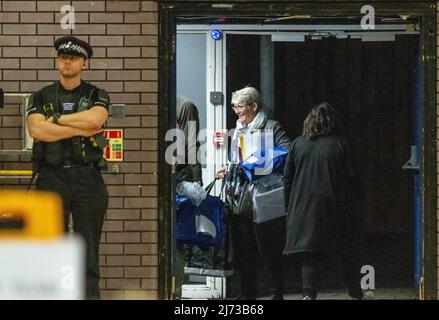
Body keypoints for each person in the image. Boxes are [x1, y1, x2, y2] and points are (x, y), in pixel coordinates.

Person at [26, 36, 110, 300]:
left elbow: (96, 119)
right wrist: (80, 128)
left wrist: (58, 120)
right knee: (50, 248)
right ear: (57, 61)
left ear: (84, 63)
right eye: (63, 57)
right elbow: (37, 129)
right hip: (51, 177)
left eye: (73, 58)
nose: (67, 61)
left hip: (88, 177)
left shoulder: (96, 94)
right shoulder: (42, 95)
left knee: (88, 251)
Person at [283, 102, 364, 300]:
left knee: (309, 253)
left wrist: (289, 206)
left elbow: (287, 178)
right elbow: (353, 179)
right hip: (335, 206)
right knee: (345, 251)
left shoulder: (297, 144)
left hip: (303, 207)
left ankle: (308, 294)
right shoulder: (342, 144)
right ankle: (355, 291)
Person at [216, 86, 291, 300]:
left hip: (264, 197)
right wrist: (229, 168)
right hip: (240, 198)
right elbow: (236, 159)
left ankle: (277, 292)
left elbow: (286, 151)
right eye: (234, 107)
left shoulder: (272, 127)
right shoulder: (238, 128)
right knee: (244, 251)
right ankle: (249, 293)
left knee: (268, 250)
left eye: (239, 106)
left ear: (253, 106)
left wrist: (254, 165)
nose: (236, 111)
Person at [174, 96, 203, 299]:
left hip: (180, 180)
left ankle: (176, 290)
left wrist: (197, 182)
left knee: (179, 238)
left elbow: (192, 146)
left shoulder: (184, 106)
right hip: (168, 179)